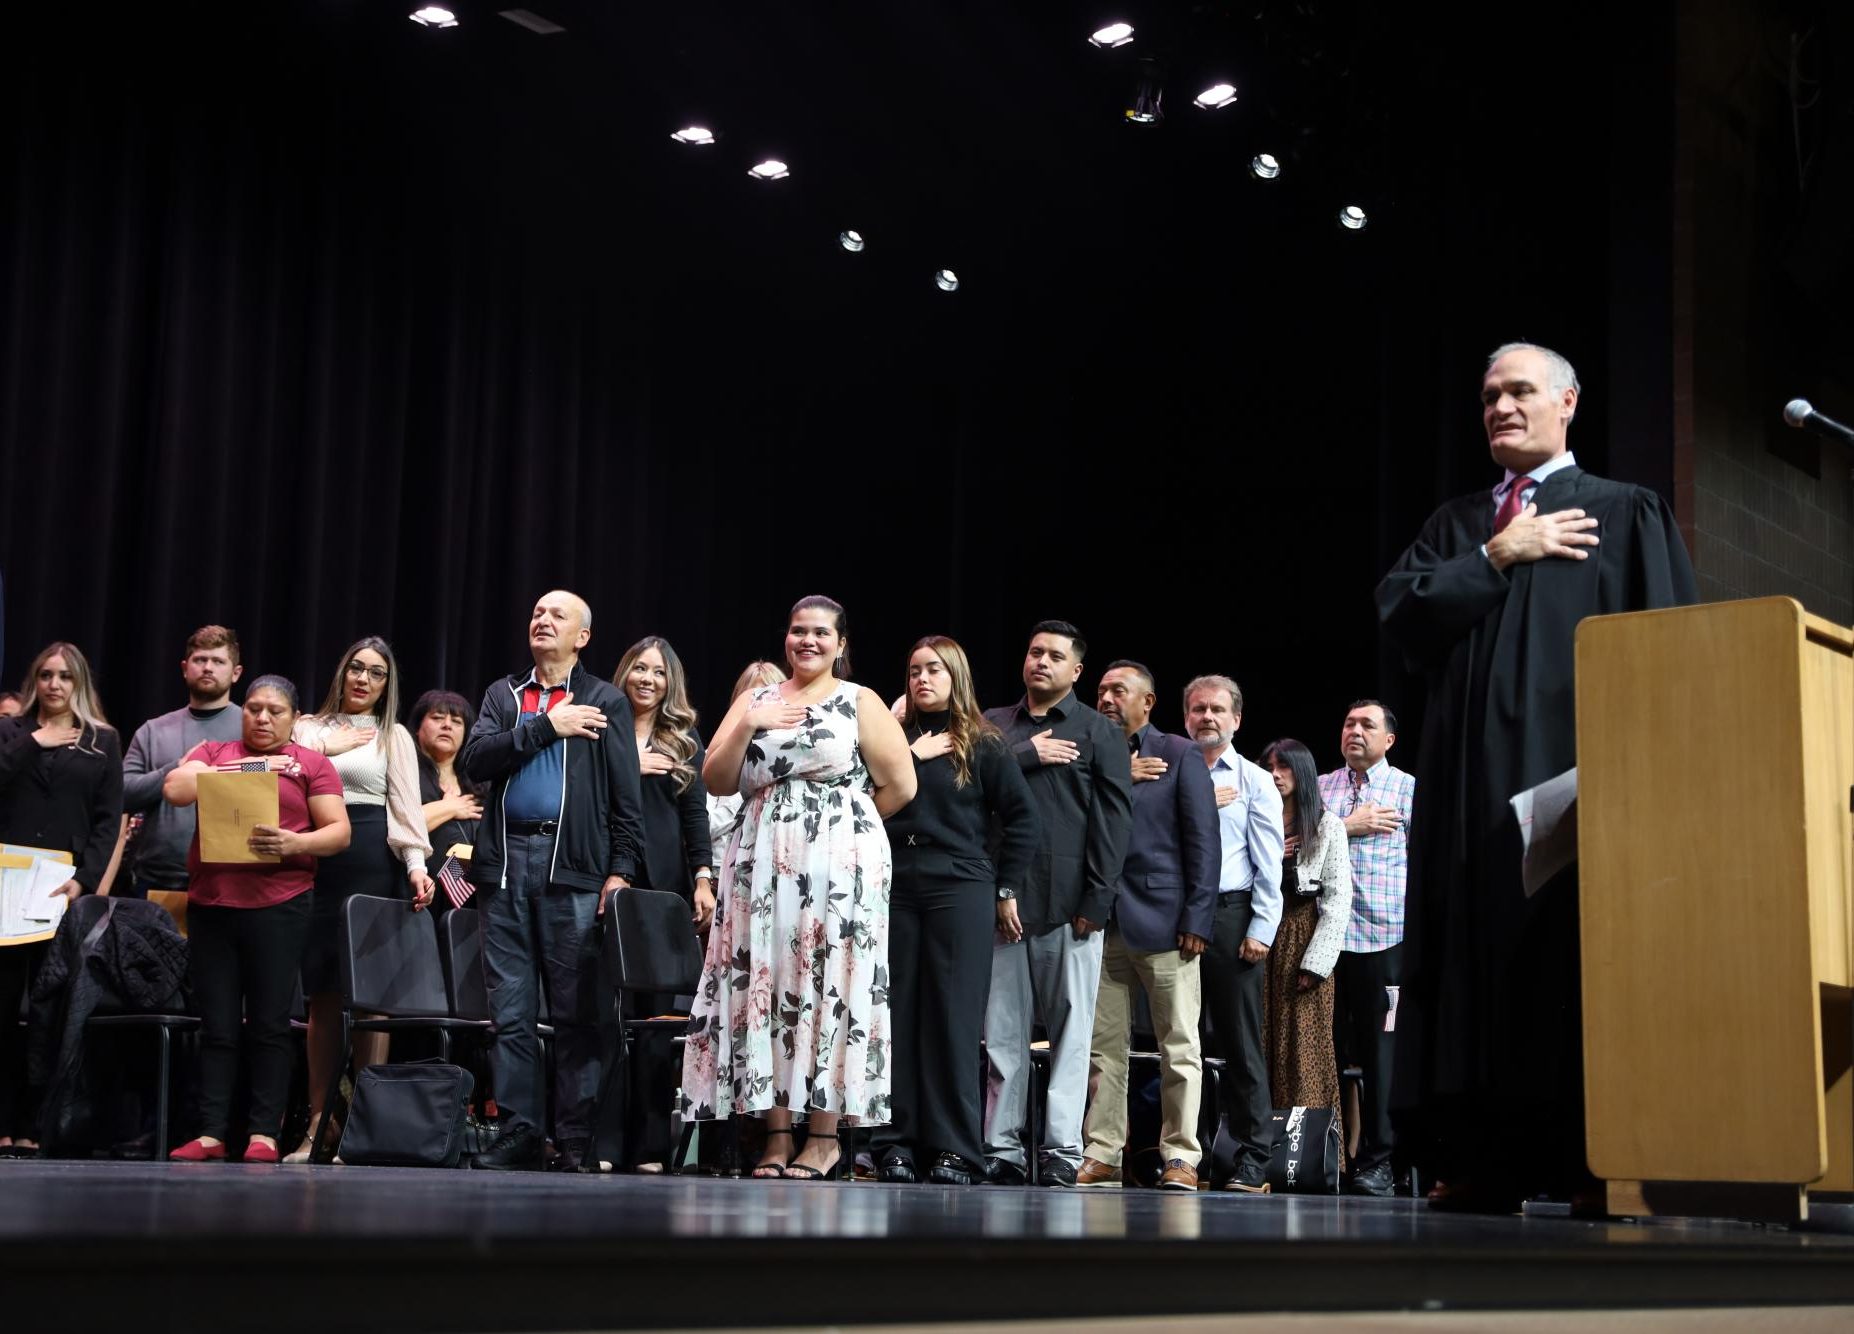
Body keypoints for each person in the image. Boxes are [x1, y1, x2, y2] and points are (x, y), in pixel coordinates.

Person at [1378, 341, 1696, 1210]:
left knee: (1571, 965)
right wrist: (1497, 556)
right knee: (1473, 969)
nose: (1500, 407)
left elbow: (1673, 652)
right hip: (1466, 803)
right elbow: (1401, 618)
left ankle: (1602, 1159)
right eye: (1488, 397)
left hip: (1580, 791)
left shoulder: (1624, 512)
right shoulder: (1457, 526)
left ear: (1568, 403)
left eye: (1520, 391)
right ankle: (1484, 1161)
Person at [681, 595, 915, 1181]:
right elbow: (716, 777)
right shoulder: (755, 699)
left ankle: (825, 1136)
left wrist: (842, 831)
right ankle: (777, 1134)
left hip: (839, 869)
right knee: (771, 983)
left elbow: (900, 785)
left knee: (829, 984)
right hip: (760, 863)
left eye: (819, 633)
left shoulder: (857, 702)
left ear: (840, 644)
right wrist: (751, 723)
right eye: (796, 632)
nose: (806, 641)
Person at [460, 590, 646, 1172]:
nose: (542, 620)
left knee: (577, 1013)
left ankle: (575, 1141)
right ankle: (519, 1130)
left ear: (582, 637)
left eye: (556, 615)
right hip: (507, 865)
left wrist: (620, 872)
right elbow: (476, 761)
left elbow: (625, 799)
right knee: (510, 1013)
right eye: (537, 612)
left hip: (575, 870)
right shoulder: (503, 694)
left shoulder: (605, 700)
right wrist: (546, 726)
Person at [161, 675, 350, 1162]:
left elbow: (339, 832)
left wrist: (297, 843)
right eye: (254, 708)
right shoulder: (216, 751)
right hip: (213, 904)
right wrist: (255, 765)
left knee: (268, 1022)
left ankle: (264, 1133)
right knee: (217, 1023)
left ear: (294, 718)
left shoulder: (311, 764)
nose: (262, 718)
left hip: (280, 903)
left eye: (274, 711)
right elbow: (175, 788)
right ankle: (210, 1133)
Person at [873, 635, 1039, 1186]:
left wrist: (1005, 888)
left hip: (960, 883)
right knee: (895, 1017)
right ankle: (894, 1143)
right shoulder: (890, 739)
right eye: (915, 669)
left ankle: (955, 1148)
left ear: (957, 677)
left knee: (954, 1017)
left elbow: (1023, 820)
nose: (923, 679)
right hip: (894, 882)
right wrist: (904, 756)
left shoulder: (983, 742)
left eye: (935, 670)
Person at [981, 621, 1134, 1188]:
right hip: (1002, 904)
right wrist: (1026, 754)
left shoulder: (1099, 732)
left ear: (1076, 671)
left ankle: (1063, 1148)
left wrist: (1098, 899)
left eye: (1054, 656)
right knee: (1002, 1033)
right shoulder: (994, 727)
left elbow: (1114, 823)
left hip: (1072, 907)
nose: (1040, 661)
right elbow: (974, 796)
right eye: (1033, 651)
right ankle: (1002, 1145)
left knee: (1073, 1035)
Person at [286, 636, 433, 1161]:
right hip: (318, 858)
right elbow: (288, 766)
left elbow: (405, 807)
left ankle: (364, 1131)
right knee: (321, 998)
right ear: (341, 673)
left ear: (386, 684)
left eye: (375, 673)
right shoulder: (307, 727)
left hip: (373, 858)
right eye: (356, 668)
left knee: (374, 999)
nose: (363, 680)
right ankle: (317, 1127)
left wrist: (417, 867)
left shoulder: (392, 734)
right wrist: (328, 748)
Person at [1078, 661, 1218, 1192]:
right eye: (1102, 690)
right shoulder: (1091, 752)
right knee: (1102, 1048)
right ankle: (1104, 1150)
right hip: (1101, 920)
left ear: (1148, 701)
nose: (1108, 698)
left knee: (1178, 1045)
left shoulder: (1180, 754)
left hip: (1165, 921)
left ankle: (1181, 1155)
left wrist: (1198, 917)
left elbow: (1203, 842)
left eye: (1119, 690)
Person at [0, 642, 123, 1154]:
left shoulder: (103, 740)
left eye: (65, 677)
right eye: (46, 675)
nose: (54, 685)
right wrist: (39, 742)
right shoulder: (11, 731)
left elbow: (107, 818)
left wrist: (84, 880)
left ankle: (36, 1124)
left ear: (79, 684)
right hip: (6, 881)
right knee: (4, 1007)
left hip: (59, 887)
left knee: (50, 1008)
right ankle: (2, 1120)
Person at [611, 634, 713, 1171]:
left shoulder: (683, 741)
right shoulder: (600, 730)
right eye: (639, 669)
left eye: (658, 672)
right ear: (624, 672)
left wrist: (702, 878)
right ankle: (602, 1145)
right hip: (610, 877)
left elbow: (696, 816)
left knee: (656, 1018)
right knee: (605, 1014)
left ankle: (650, 1146)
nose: (647, 679)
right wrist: (629, 765)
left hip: (666, 883)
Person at [1184, 673, 1285, 1193]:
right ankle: (1190, 1158)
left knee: (1241, 1043)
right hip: (1178, 917)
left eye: (1217, 709)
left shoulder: (1254, 780)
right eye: (1198, 709)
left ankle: (1252, 1158)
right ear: (1185, 717)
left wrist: (1262, 926)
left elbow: (1269, 862)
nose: (1207, 717)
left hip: (1231, 915)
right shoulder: (1173, 772)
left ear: (1236, 718)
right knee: (1183, 1045)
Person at [1315, 700, 1413, 1197]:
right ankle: (1320, 1155)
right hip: (1323, 942)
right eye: (1348, 722)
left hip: (1385, 939)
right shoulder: (1321, 788)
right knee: (1321, 1051)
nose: (1354, 731)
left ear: (1388, 740)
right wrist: (1346, 826)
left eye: (1366, 725)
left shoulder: (1407, 789)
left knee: (1381, 1056)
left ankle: (1379, 1160)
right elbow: (1295, 845)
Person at [1258, 739, 1351, 1131]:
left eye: (1285, 768)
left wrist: (1316, 963)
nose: (1276, 775)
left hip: (1302, 935)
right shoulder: (1258, 816)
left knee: (1304, 1045)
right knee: (1260, 1039)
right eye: (1271, 767)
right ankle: (1258, 1145)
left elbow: (1337, 897)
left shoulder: (1327, 825)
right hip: (1259, 934)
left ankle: (1307, 1146)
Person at [120, 626, 246, 902]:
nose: (208, 668)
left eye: (218, 661)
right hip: (156, 878)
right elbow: (122, 794)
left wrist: (225, 771)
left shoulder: (252, 729)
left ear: (236, 673)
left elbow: (270, 773)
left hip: (229, 879)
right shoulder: (152, 731)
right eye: (200, 660)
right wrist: (176, 767)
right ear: (185, 667)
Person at [410, 690, 488, 915]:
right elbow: (401, 827)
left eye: (456, 721)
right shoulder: (407, 773)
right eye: (437, 718)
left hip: (468, 899)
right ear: (417, 727)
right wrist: (449, 807)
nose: (447, 725)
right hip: (418, 890)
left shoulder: (478, 785)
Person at [706, 661, 785, 852]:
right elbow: (704, 825)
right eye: (754, 700)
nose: (762, 709)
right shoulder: (715, 756)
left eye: (769, 698)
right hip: (716, 869)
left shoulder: (786, 764)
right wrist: (748, 796)